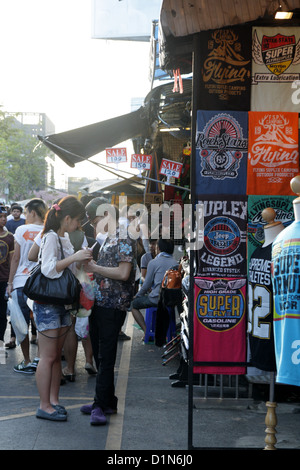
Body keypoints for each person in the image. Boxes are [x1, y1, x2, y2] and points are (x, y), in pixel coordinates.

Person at [32, 196, 92, 422]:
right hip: (48, 304)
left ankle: (54, 401)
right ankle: (44, 404)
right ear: (67, 218)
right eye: (77, 221)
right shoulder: (49, 237)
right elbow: (48, 269)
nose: (78, 226)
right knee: (48, 357)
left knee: (57, 356)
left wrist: (81, 260)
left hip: (61, 303)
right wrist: (75, 257)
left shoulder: (63, 237)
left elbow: (69, 268)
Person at [80, 202, 137, 425]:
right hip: (102, 303)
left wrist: (95, 268)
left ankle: (99, 405)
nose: (96, 227)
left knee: (105, 356)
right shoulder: (110, 237)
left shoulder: (123, 237)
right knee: (101, 353)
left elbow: (124, 273)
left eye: (95, 222)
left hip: (113, 305)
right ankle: (107, 402)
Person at [7, 198, 48, 374]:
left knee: (20, 323)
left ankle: (27, 360)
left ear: (32, 212)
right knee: (41, 323)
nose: (25, 216)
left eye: (26, 213)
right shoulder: (49, 231)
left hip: (21, 283)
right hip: (42, 284)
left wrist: (9, 282)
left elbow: (15, 258)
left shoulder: (21, 229)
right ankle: (39, 358)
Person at [131, 237, 177, 338]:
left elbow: (146, 285)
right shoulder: (176, 263)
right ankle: (170, 333)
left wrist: (137, 296)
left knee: (133, 305)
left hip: (156, 299)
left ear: (158, 248)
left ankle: (146, 331)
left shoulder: (153, 263)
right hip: (172, 300)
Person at [0, 207, 14, 346]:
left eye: (5, 216)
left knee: (1, 314)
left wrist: (11, 282)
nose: (4, 219)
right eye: (1, 216)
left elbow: (11, 261)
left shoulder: (10, 237)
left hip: (3, 281)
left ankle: (0, 345)